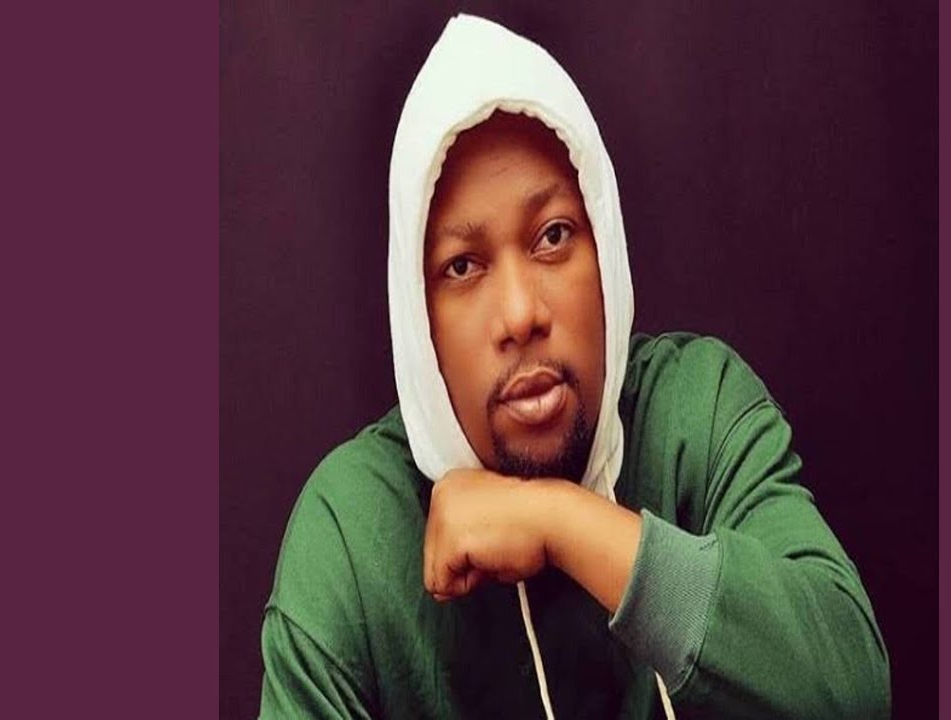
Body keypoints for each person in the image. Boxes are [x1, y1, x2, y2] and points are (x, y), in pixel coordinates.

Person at [259, 14, 890, 720]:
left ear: (606, 249)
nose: (520, 313)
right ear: (417, 315)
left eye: (553, 235)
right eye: (462, 266)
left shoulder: (697, 411)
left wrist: (561, 524)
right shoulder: (351, 533)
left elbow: (851, 689)